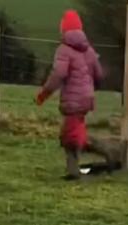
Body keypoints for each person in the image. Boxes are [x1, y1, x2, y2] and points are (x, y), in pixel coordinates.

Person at [35, 10, 109, 180]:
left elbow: (58, 75)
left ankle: (103, 152)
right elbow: (99, 74)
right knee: (71, 134)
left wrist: (43, 94)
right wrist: (91, 89)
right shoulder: (89, 50)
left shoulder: (63, 50)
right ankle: (74, 169)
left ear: (63, 29)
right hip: (86, 98)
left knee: (70, 137)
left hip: (73, 100)